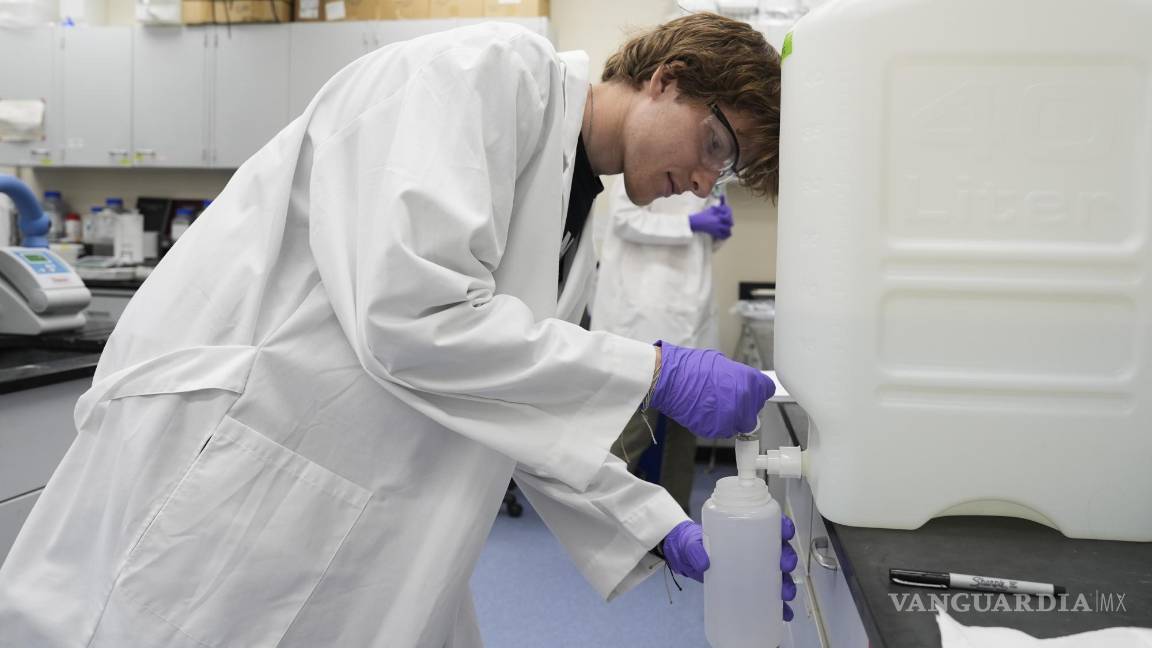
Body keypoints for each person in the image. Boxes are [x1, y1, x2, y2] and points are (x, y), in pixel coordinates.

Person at [0, 13, 790, 647]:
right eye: (714, 146)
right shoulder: (486, 72)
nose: (700, 180)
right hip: (249, 460)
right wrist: (656, 372)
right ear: (667, 79)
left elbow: (513, 400)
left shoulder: (577, 206)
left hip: (367, 506)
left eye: (721, 172)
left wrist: (662, 527)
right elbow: (411, 315)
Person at [592, 179, 732, 513]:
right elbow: (625, 220)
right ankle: (598, 511)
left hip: (690, 310)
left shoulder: (710, 174)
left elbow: (700, 242)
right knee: (637, 426)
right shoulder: (644, 165)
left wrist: (717, 231)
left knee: (686, 426)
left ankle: (673, 520)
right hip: (645, 311)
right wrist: (690, 223)